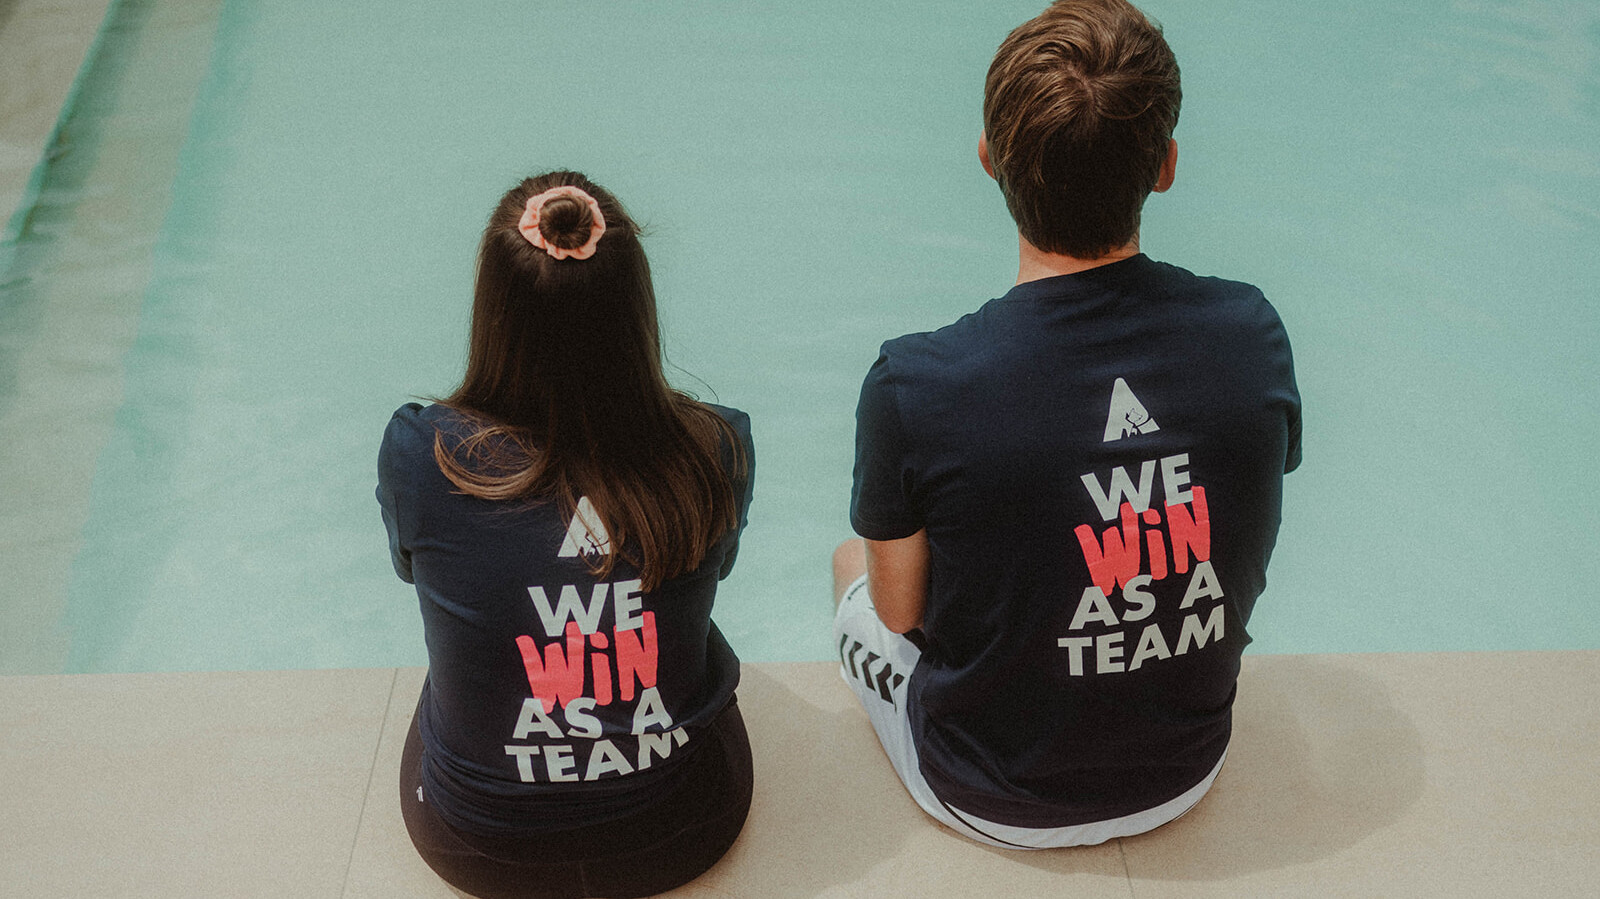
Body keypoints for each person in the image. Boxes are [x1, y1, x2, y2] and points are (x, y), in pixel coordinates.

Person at [832, 0, 1302, 849]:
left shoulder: (916, 382)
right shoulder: (1251, 332)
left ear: (988, 161)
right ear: (1163, 165)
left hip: (989, 792)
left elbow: (902, 616)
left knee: (850, 568)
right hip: (1186, 766)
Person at [377, 171, 755, 898]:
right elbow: (717, 570)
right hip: (675, 830)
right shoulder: (715, 449)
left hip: (480, 846)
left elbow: (411, 567)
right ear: (633, 310)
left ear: (494, 310)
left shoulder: (424, 455)